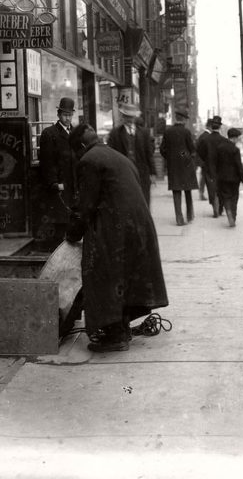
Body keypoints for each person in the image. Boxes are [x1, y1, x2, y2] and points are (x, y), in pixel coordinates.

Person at [67, 124, 168, 353]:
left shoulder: (89, 161)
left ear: (81, 147)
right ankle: (120, 328)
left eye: (76, 152)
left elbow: (85, 205)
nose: (77, 157)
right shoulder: (116, 155)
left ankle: (114, 336)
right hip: (138, 226)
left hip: (117, 229)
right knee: (124, 278)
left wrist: (72, 234)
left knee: (102, 275)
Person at [38, 97, 76, 246]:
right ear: (59, 115)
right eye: (65, 115)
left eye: (70, 115)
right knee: (60, 223)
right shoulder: (50, 134)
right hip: (59, 187)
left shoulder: (75, 133)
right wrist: (54, 184)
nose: (68, 118)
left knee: (72, 221)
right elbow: (47, 163)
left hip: (72, 186)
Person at [107, 103, 156, 206]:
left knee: (143, 200)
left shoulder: (144, 133)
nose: (129, 120)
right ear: (123, 117)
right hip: (123, 173)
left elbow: (149, 154)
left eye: (131, 117)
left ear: (135, 117)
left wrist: (153, 173)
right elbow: (111, 155)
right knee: (126, 201)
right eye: (127, 117)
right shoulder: (115, 134)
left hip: (141, 172)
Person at [159, 109, 198, 226]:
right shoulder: (186, 132)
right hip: (186, 165)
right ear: (184, 120)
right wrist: (186, 156)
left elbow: (162, 149)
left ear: (176, 118)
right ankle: (190, 215)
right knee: (187, 191)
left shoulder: (168, 131)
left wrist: (170, 157)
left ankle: (179, 219)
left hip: (173, 166)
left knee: (176, 191)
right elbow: (192, 149)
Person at [214, 128, 243, 227]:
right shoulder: (235, 149)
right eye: (238, 138)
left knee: (225, 196)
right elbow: (239, 165)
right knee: (234, 197)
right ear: (235, 138)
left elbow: (216, 163)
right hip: (234, 178)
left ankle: (227, 210)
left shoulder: (219, 148)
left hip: (222, 177)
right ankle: (233, 215)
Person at [202, 115, 224, 217]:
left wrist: (205, 159)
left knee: (211, 188)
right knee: (221, 187)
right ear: (219, 127)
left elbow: (198, 150)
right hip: (221, 167)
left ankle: (214, 206)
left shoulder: (205, 139)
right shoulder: (223, 140)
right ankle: (220, 207)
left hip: (209, 167)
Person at [195, 118, 212, 201]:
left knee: (203, 177)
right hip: (206, 161)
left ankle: (201, 193)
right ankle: (202, 193)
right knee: (206, 178)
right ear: (210, 127)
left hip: (202, 161)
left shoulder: (202, 136)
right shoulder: (208, 137)